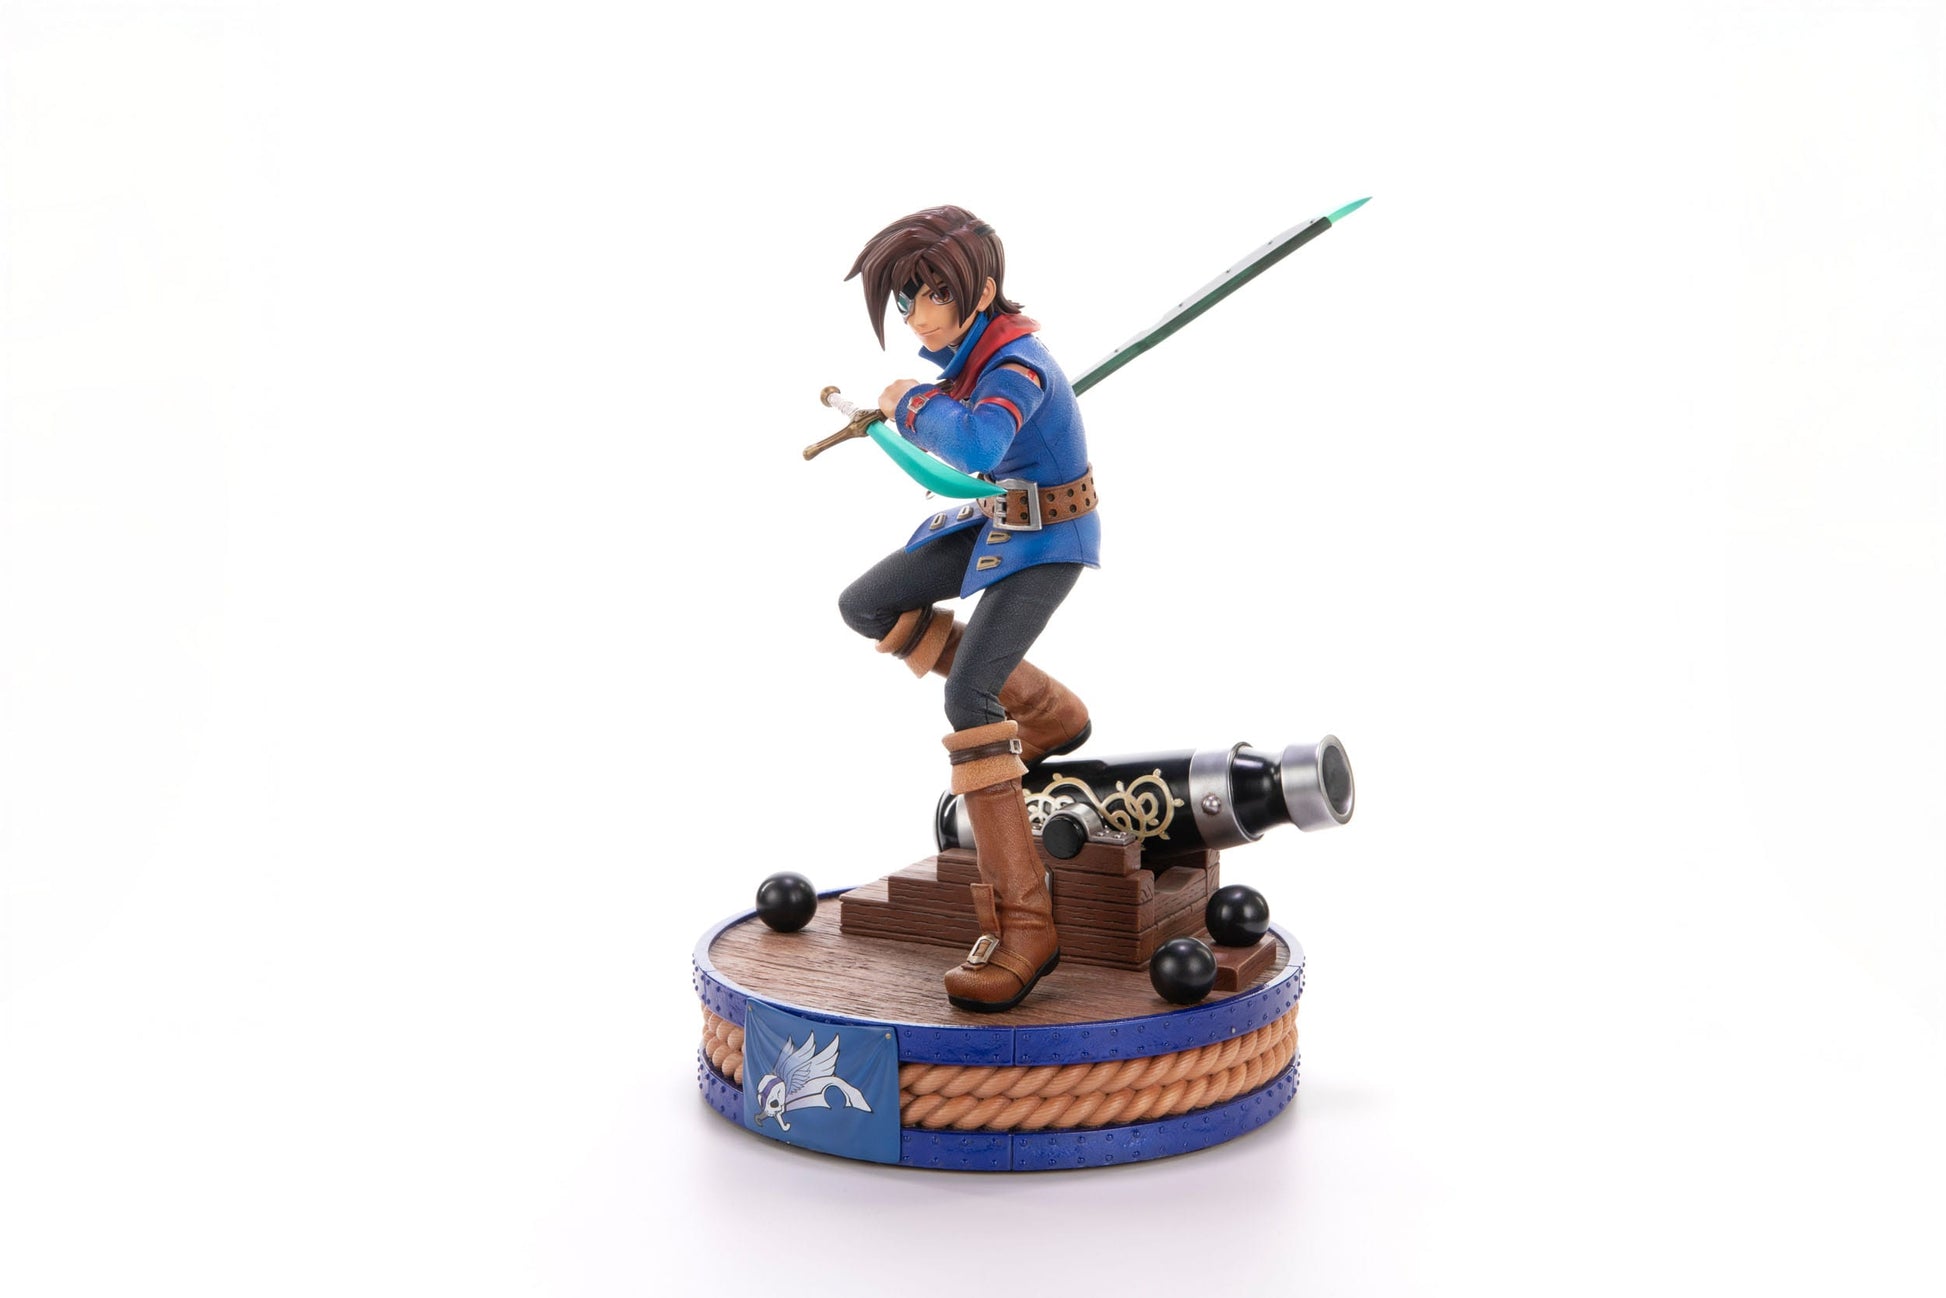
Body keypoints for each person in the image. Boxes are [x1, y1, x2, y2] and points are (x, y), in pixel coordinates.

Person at [837, 205, 1100, 1013]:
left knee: (967, 697)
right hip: (997, 520)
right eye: (906, 300)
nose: (917, 316)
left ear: (981, 291)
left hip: (1049, 536)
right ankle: (1047, 713)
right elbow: (972, 460)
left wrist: (910, 403)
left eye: (933, 295)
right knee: (867, 604)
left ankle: (1027, 926)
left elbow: (979, 445)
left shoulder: (1017, 365)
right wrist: (913, 408)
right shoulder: (970, 357)